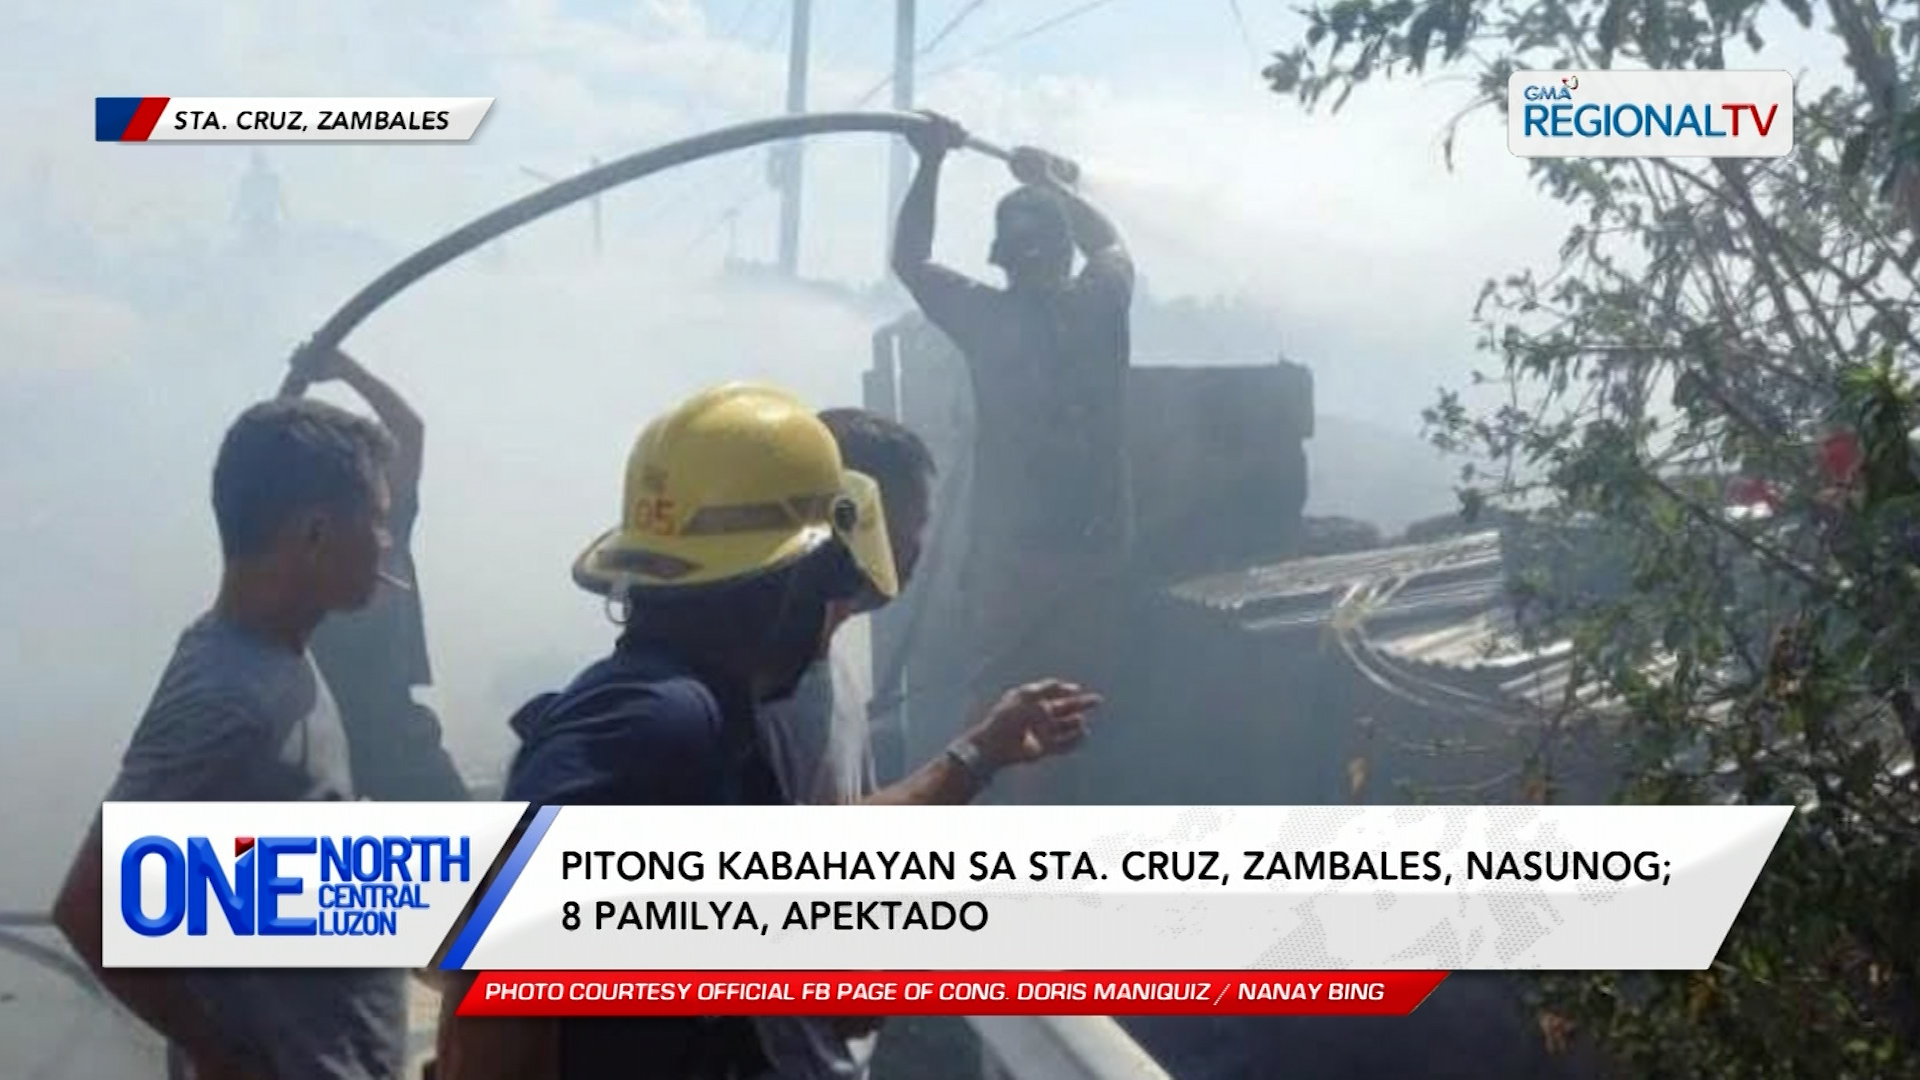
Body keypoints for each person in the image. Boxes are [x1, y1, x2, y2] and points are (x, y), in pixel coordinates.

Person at [433, 384, 1098, 1080]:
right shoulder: (659, 721)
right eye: (828, 578)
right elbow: (493, 954)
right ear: (788, 583)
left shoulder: (704, 722)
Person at [52, 397, 410, 1080]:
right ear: (313, 533)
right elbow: (89, 906)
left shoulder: (284, 658)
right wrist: (220, 1055)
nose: (387, 544)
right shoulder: (226, 693)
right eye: (378, 522)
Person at [751, 408, 1103, 1080]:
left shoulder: (828, 667)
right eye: (905, 529)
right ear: (844, 522)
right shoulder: (770, 693)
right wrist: (977, 756)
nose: (915, 552)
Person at [890, 113, 1137, 803]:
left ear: (1001, 258)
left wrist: (932, 162)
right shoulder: (1101, 303)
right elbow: (1111, 241)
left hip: (1015, 559)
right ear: (1063, 255)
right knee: (1076, 709)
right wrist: (1053, 183)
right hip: (1098, 550)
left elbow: (910, 262)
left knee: (995, 707)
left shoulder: (988, 319)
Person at [286, 342, 469, 802]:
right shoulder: (296, 551)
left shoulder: (382, 525)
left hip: (390, 736)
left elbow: (409, 430)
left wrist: (345, 368)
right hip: (327, 736)